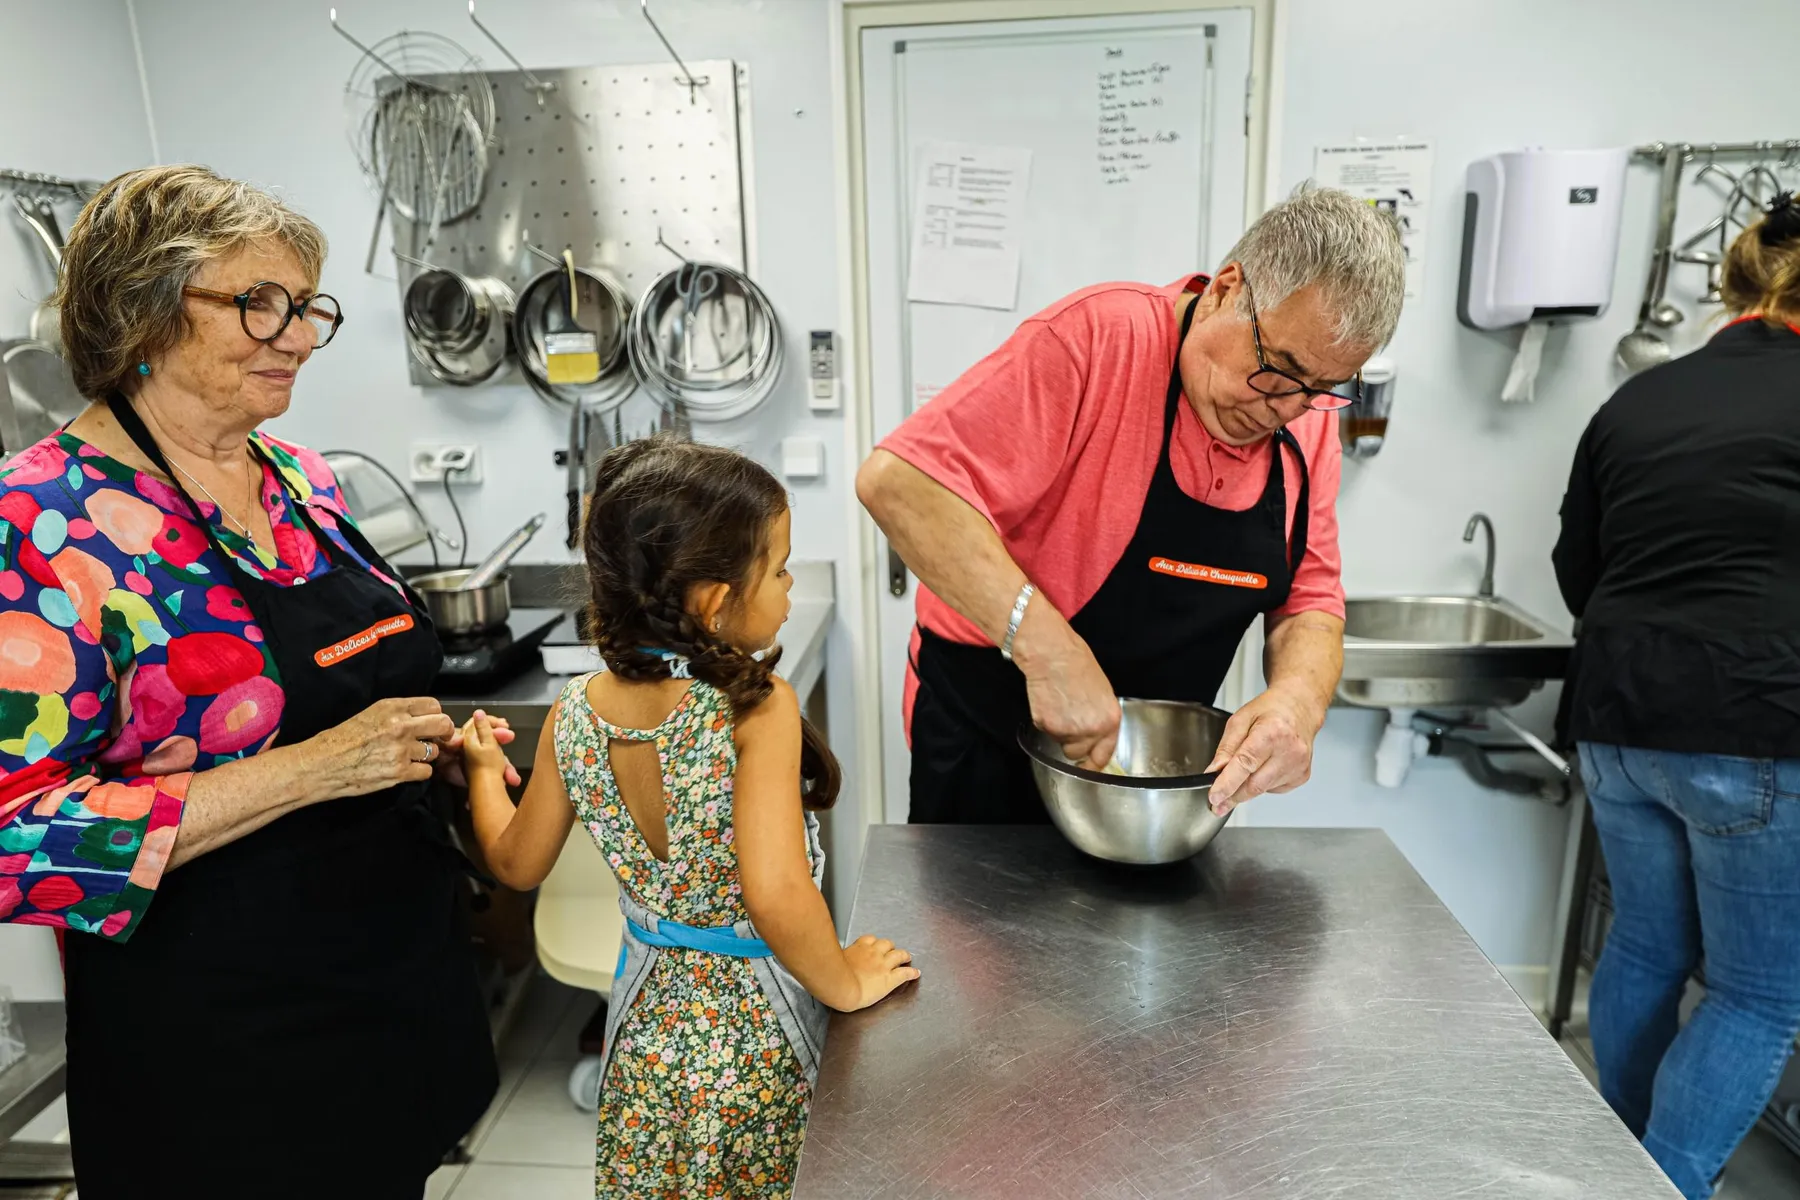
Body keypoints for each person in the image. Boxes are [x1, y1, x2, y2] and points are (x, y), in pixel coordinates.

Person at [0, 165, 515, 1198]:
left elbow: (353, 696)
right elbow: (15, 837)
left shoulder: (300, 476)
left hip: (388, 971)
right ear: (141, 309)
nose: (296, 335)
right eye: (257, 303)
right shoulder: (41, 525)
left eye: (305, 305)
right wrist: (315, 770)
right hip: (218, 1031)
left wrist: (433, 757)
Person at [459, 435, 919, 1199]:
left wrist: (481, 771)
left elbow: (513, 863)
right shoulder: (754, 708)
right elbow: (774, 895)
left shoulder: (575, 711)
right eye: (776, 569)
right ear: (712, 599)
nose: (789, 583)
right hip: (754, 1041)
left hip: (643, 1037)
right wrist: (844, 981)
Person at [856, 184, 1405, 823]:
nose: (1285, 407)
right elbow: (901, 483)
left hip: (1153, 778)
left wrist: (1298, 701)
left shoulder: (1304, 422)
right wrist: (1047, 651)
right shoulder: (1095, 342)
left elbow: (1310, 600)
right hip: (989, 737)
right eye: (1276, 369)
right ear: (1227, 289)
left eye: (1320, 388)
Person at [1553, 193, 1800, 1199]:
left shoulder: (1638, 400)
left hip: (1617, 719)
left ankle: (1607, 1162)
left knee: (1648, 947)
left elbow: (1580, 569)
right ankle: (1660, 1185)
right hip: (1756, 726)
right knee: (1758, 994)